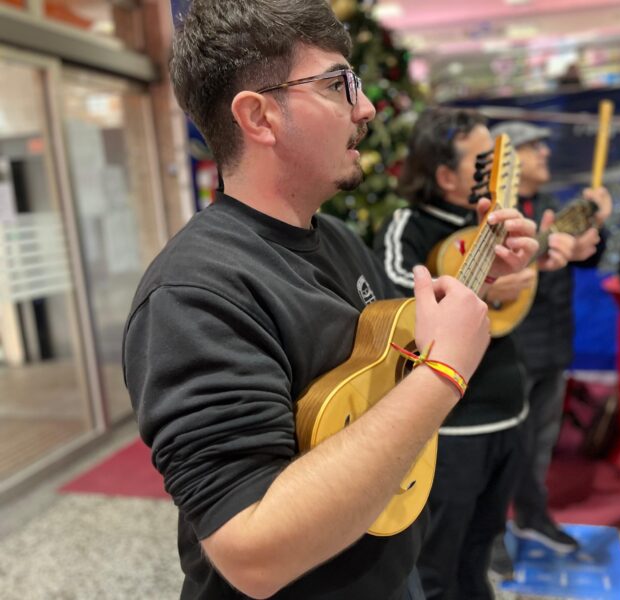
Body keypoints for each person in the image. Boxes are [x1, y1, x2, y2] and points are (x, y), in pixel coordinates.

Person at [121, 3, 540, 599]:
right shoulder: (192, 295)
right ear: (259, 116)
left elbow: (393, 367)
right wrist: (445, 373)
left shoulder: (336, 238)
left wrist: (480, 282)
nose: (365, 108)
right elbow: (253, 552)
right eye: (337, 84)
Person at [373, 108, 574, 600]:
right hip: (452, 428)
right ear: (445, 175)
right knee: (437, 562)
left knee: (482, 547)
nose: (497, 168)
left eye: (498, 160)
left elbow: (535, 266)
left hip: (509, 412)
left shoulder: (494, 224)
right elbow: (396, 298)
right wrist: (482, 286)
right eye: (485, 161)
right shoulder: (408, 225)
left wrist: (550, 253)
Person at [484, 121, 611, 567]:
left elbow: (588, 255)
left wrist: (596, 220)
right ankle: (489, 532)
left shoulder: (550, 208)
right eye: (533, 146)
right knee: (502, 449)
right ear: (508, 158)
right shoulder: (493, 213)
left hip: (554, 347)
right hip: (512, 351)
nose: (545, 153)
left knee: (539, 445)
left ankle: (532, 515)